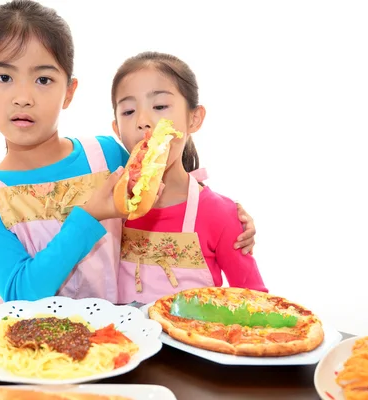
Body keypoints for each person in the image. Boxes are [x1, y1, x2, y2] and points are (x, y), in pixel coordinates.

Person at [0, 0, 258, 305]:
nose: (23, 97)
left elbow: (163, 203)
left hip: (118, 346)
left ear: (69, 91)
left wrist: (230, 221)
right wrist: (88, 217)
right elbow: (20, 294)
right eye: (4, 77)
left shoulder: (108, 155)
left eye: (43, 79)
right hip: (30, 351)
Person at [109, 51, 267, 304]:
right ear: (116, 129)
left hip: (191, 340)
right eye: (128, 111)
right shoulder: (106, 207)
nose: (143, 121)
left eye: (160, 106)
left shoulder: (221, 213)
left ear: (194, 119)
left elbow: (256, 303)